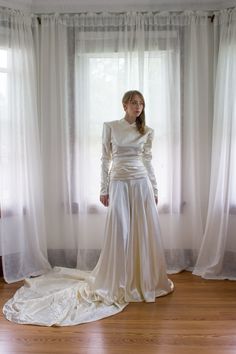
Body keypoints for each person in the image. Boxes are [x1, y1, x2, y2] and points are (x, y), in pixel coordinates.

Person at [3, 90, 173, 327]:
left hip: (141, 183)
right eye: (134, 102)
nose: (138, 106)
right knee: (121, 231)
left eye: (142, 103)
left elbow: (148, 161)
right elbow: (105, 159)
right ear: (124, 104)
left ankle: (142, 280)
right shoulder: (111, 126)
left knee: (142, 232)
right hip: (119, 183)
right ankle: (118, 280)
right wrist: (104, 189)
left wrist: (154, 190)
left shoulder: (147, 131)